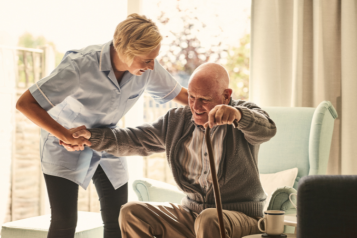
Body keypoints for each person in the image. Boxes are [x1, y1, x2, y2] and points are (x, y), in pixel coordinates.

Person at [16, 14, 188, 238]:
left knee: (119, 218)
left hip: (107, 140)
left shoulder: (147, 69)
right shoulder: (80, 66)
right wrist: (65, 135)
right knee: (65, 221)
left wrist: (225, 106)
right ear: (125, 51)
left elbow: (184, 96)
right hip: (63, 144)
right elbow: (25, 103)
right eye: (147, 60)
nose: (152, 65)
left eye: (154, 59)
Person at [68, 63, 277, 238]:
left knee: (210, 218)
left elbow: (267, 130)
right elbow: (134, 139)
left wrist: (238, 115)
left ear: (226, 95)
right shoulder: (177, 121)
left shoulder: (243, 114)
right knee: (131, 212)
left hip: (241, 217)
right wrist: (92, 137)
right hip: (192, 214)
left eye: (204, 99)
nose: (195, 106)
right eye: (192, 97)